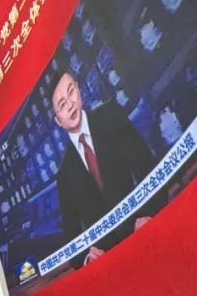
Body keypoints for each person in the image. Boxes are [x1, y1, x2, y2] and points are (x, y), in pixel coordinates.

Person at [51, 71, 159, 265]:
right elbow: (71, 237)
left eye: (71, 92)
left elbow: (148, 166)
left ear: (78, 89)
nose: (71, 105)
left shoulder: (110, 115)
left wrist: (149, 214)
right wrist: (87, 258)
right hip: (109, 263)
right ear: (58, 120)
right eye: (62, 105)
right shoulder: (64, 174)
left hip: (145, 233)